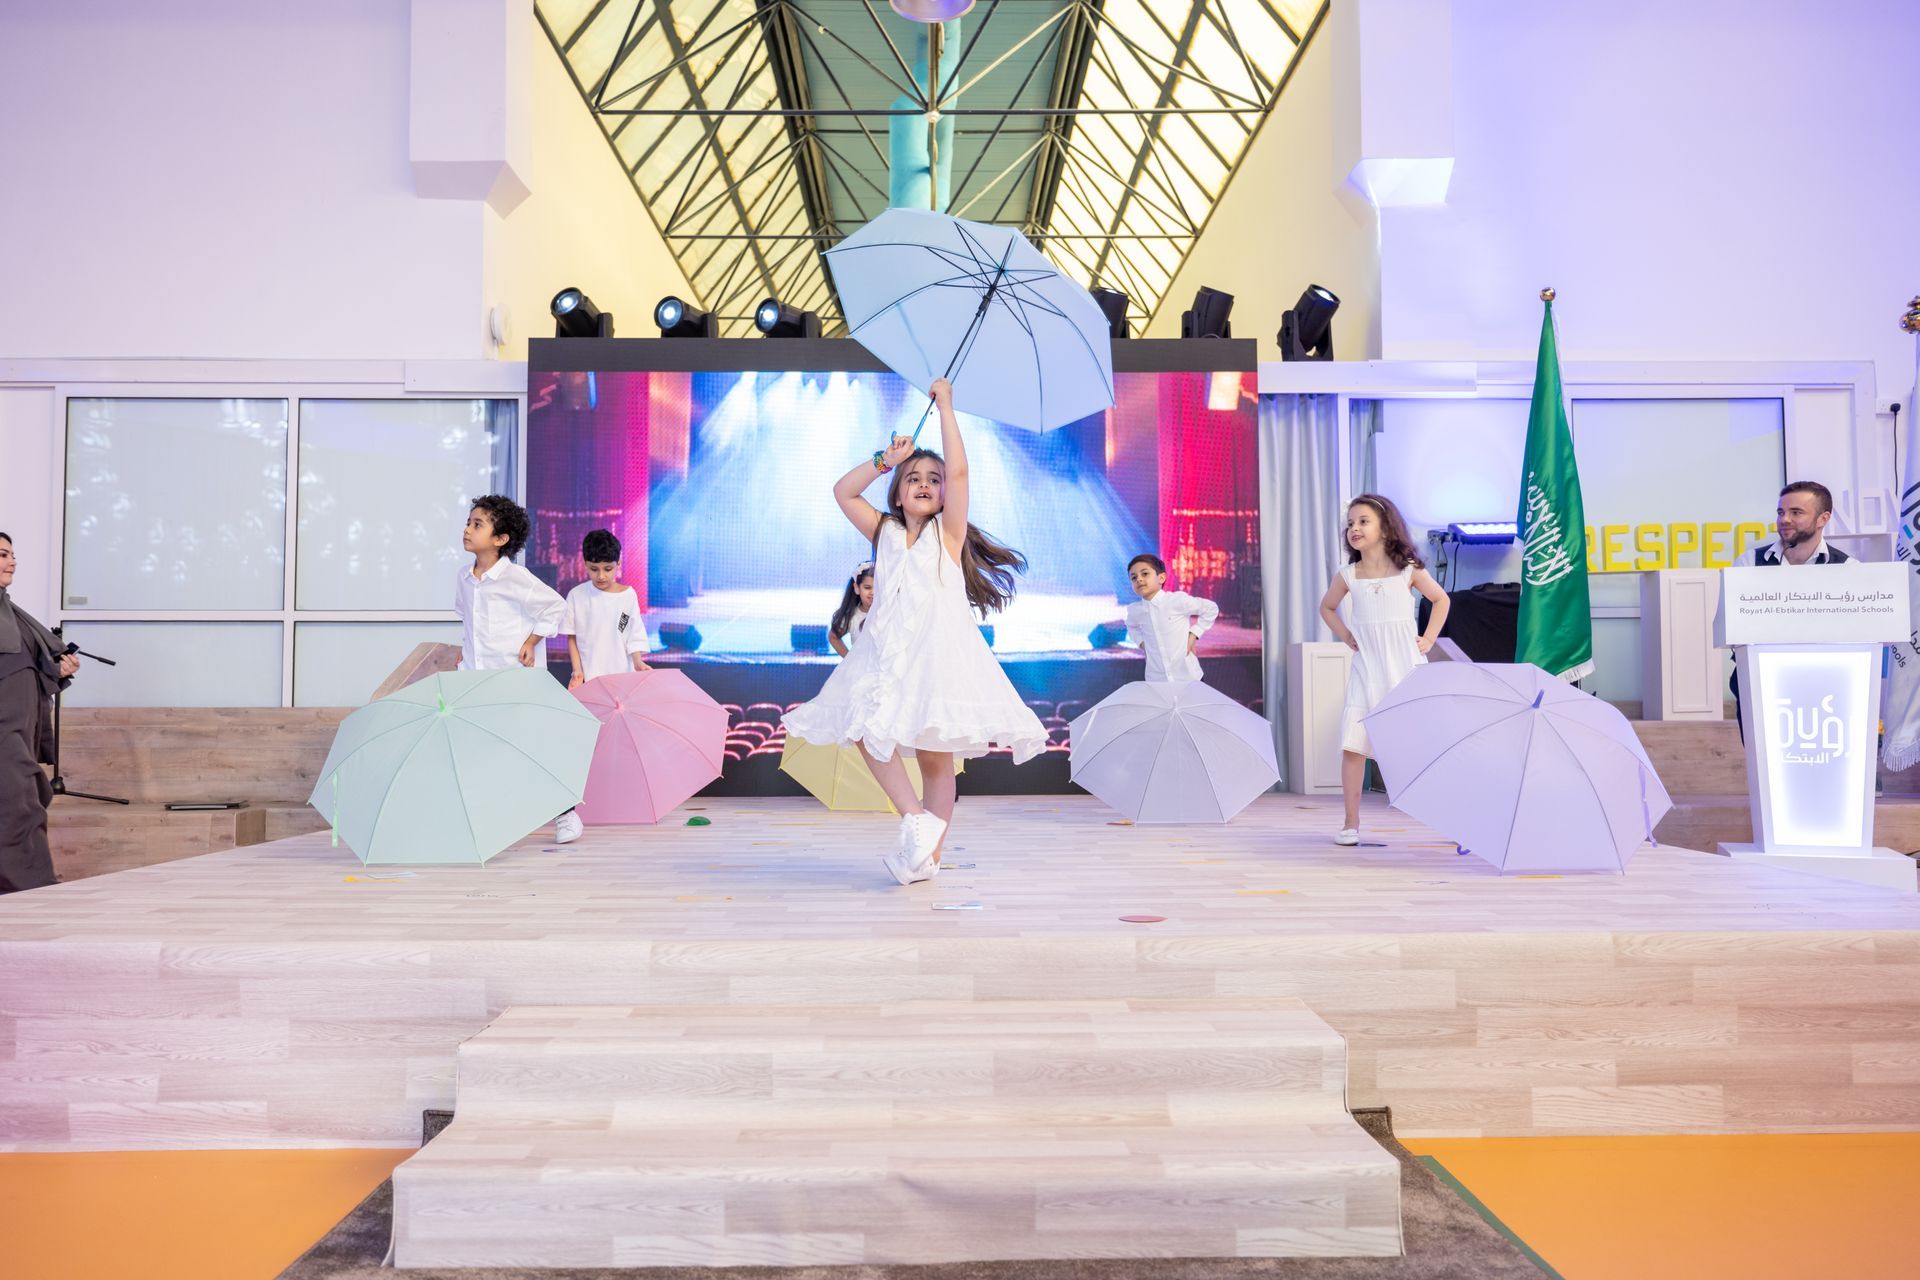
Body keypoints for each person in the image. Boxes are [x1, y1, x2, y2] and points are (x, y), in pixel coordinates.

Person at [784, 377, 1046, 885]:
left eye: (933, 478)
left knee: (934, 757)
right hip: (884, 653)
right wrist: (886, 456)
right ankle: (915, 819)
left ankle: (929, 857)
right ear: (898, 492)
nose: (925, 483)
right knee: (863, 729)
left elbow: (962, 472)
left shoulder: (948, 535)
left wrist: (946, 406)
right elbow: (843, 491)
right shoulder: (882, 531)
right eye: (913, 478)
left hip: (937, 655)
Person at [1318, 494, 1450, 847]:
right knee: (1353, 745)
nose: (1354, 529)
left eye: (1363, 521)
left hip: (1405, 670)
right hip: (1367, 670)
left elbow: (1441, 600)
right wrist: (1346, 635)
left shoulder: (1408, 569)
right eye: (1350, 524)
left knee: (1426, 745)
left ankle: (1452, 817)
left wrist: (1429, 638)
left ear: (1385, 527)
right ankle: (1350, 823)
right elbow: (1327, 608)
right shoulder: (1347, 575)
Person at [454, 495, 578, 843]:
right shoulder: (464, 578)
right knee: (481, 750)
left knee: (530, 747)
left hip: (514, 680)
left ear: (501, 539)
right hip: (475, 679)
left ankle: (566, 814)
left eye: (477, 524)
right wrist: (465, 655)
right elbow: (468, 619)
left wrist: (532, 640)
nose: (467, 529)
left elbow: (555, 607)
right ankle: (490, 819)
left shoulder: (516, 578)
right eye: (468, 522)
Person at [1730, 481, 1851, 738]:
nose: (1784, 519)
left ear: (1823, 518)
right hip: (1760, 683)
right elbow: (1734, 627)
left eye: (1796, 512)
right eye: (1780, 512)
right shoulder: (1749, 563)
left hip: (1827, 686)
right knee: (1765, 766)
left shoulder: (1850, 569)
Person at [0, 533, 82, 893]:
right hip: (4, 729)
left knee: (28, 796)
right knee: (16, 804)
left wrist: (58, 670)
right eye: (3, 555)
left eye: (13, 555)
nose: (12, 562)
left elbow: (24, 669)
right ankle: (28, 887)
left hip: (22, 726)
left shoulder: (12, 613)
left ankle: (28, 887)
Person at [562, 529, 653, 686]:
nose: (601, 576)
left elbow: (632, 633)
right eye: (594, 569)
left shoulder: (628, 596)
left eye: (608, 569)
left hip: (623, 674)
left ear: (618, 564)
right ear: (585, 564)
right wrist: (577, 671)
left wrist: (638, 663)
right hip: (590, 676)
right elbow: (572, 638)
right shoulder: (576, 596)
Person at [1124, 553, 1220, 683]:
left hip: (1189, 678)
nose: (1139, 579)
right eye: (1133, 578)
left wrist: (1194, 633)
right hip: (1157, 681)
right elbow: (1131, 626)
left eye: (1145, 574)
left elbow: (1210, 608)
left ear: (1161, 577)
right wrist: (1141, 643)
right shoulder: (1135, 610)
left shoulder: (1176, 601)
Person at [828, 563, 875, 657]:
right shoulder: (852, 616)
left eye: (877, 587)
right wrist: (849, 660)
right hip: (860, 669)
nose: (873, 592)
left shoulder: (890, 612)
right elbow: (833, 637)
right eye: (867, 588)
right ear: (857, 588)